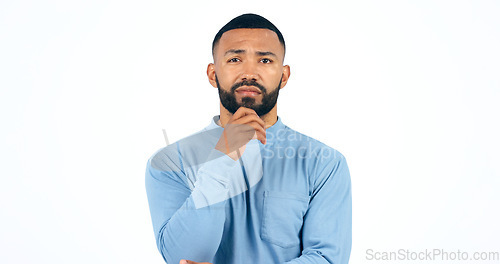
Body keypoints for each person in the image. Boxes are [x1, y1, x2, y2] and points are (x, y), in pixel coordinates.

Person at [145, 13, 352, 264]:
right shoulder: (169, 163)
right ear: (213, 74)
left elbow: (327, 259)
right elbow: (183, 257)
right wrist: (221, 158)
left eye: (265, 60)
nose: (249, 73)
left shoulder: (324, 162)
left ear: (284, 76)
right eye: (235, 59)